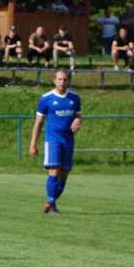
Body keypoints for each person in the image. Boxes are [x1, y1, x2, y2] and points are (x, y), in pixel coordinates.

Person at [28, 69, 82, 214]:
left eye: (65, 79)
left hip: (68, 141)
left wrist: (77, 120)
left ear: (68, 81)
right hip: (53, 141)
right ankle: (52, 204)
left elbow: (78, 115)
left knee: (64, 174)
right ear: (54, 80)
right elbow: (38, 123)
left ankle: (50, 201)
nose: (62, 82)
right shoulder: (46, 99)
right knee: (54, 170)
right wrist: (33, 144)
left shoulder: (75, 98)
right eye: (59, 79)